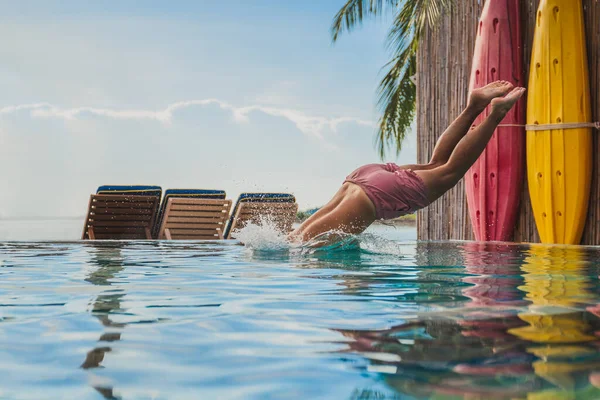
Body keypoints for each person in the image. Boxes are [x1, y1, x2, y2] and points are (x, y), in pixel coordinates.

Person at [289, 81, 526, 244]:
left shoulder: (302, 251)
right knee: (437, 164)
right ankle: (474, 106)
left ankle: (496, 113)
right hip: (360, 179)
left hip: (371, 195)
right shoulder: (292, 239)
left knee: (450, 172)